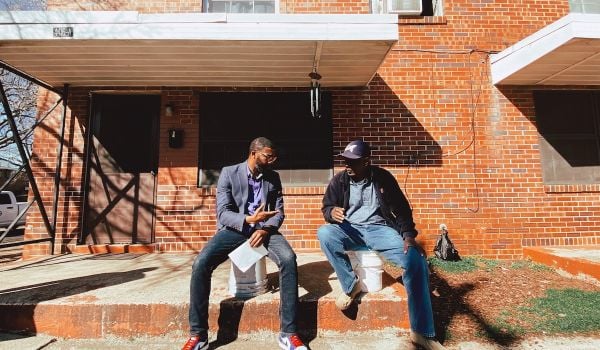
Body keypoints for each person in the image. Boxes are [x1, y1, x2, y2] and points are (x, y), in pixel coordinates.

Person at [317, 139, 446, 350]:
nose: (347, 165)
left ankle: (422, 332)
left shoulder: (383, 178)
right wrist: (331, 212)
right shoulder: (339, 181)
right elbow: (327, 207)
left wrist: (408, 236)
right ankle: (351, 285)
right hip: (350, 229)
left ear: (366, 161)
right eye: (345, 161)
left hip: (380, 230)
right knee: (324, 233)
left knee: (416, 260)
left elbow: (402, 209)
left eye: (352, 161)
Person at [182, 137, 307, 350]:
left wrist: (265, 228)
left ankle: (288, 333)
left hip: (264, 231)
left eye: (273, 157)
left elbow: (279, 212)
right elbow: (223, 213)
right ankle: (198, 335)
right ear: (253, 154)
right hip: (235, 229)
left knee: (288, 259)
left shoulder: (273, 177)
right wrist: (249, 220)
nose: (272, 160)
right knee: (200, 264)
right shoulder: (229, 173)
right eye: (268, 156)